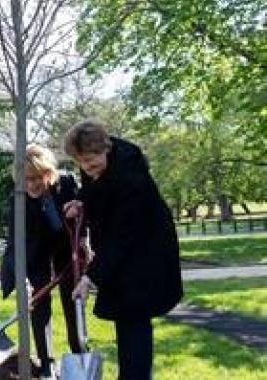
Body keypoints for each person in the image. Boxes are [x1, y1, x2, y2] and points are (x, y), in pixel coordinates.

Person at [63, 120, 183, 380]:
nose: (87, 168)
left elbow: (122, 237)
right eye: (82, 163)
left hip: (145, 254)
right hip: (123, 253)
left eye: (92, 162)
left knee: (134, 318)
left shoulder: (131, 179)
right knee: (124, 316)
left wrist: (90, 276)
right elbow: (95, 189)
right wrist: (81, 201)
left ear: (105, 149)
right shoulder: (100, 166)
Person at [0, 144, 82, 379]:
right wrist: (22, 280)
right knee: (39, 305)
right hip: (35, 252)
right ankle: (47, 363)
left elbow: (84, 220)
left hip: (66, 248)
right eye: (25, 179)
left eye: (36, 178)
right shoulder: (18, 199)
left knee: (72, 300)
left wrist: (83, 244)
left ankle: (78, 354)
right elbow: (17, 244)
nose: (31, 185)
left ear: (48, 173)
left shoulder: (66, 184)